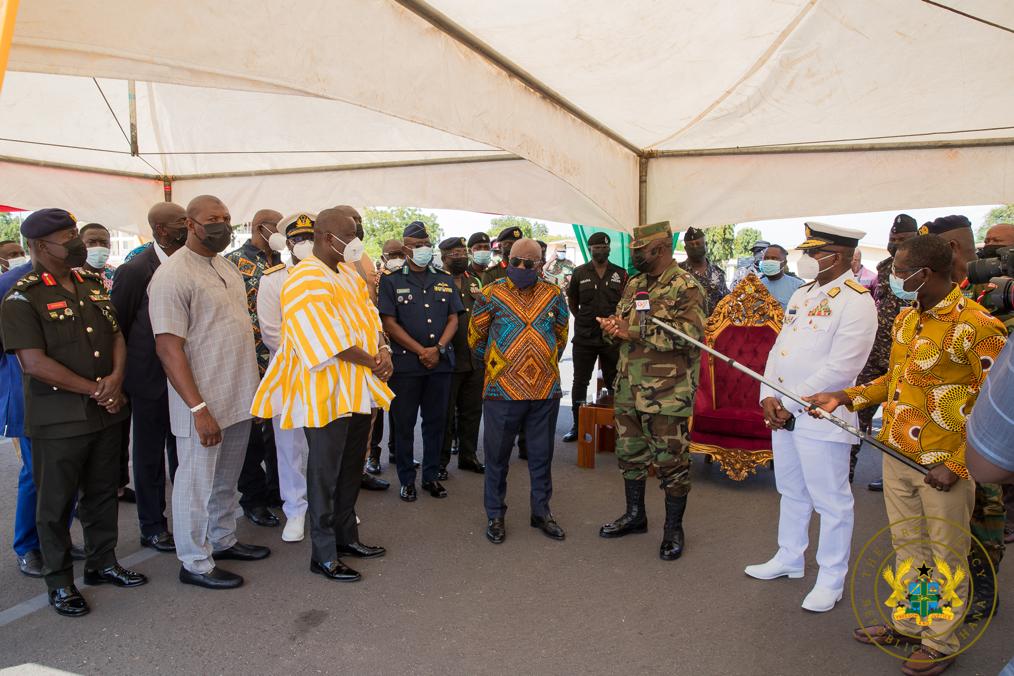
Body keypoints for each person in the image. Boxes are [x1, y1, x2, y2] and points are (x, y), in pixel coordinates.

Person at [807, 234, 1006, 673]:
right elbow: (893, 382)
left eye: (898, 271)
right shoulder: (905, 320)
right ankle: (912, 624)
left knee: (945, 555)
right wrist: (844, 396)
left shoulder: (978, 326)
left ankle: (940, 642)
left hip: (944, 465)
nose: (892, 277)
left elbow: (995, 406)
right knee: (909, 549)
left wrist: (957, 464)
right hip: (897, 453)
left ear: (926, 274)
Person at [1, 208, 147, 617]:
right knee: (55, 503)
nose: (77, 243)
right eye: (68, 236)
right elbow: (33, 362)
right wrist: (96, 390)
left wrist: (116, 378)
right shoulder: (22, 296)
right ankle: (60, 582)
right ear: (40, 246)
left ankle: (103, 562)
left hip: (106, 410)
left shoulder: (91, 284)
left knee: (103, 493)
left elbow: (116, 334)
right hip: (59, 418)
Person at [251, 208, 393, 582]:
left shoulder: (348, 273)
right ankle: (324, 553)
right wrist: (373, 362)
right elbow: (326, 342)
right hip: (324, 392)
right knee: (324, 473)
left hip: (357, 388)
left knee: (350, 468)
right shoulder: (304, 279)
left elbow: (370, 315)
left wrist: (384, 350)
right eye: (351, 234)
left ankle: (348, 538)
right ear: (329, 238)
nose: (357, 241)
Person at [744, 222, 877, 612]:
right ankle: (789, 558)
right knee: (791, 489)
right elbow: (779, 350)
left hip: (821, 416)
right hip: (784, 411)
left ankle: (831, 578)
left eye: (813, 252)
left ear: (835, 255)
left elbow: (843, 366)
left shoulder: (856, 300)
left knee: (832, 502)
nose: (806, 259)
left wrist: (791, 402)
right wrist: (768, 395)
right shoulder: (803, 294)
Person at [149, 194, 270, 590]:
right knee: (195, 482)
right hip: (201, 402)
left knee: (225, 478)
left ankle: (222, 539)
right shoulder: (173, 274)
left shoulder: (224, 266)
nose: (221, 224)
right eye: (212, 218)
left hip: (237, 395)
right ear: (190, 224)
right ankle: (195, 562)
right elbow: (168, 348)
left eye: (227, 217)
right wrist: (198, 408)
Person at [597, 221, 706, 561]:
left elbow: (691, 337)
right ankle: (635, 515)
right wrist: (612, 328)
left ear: (658, 250)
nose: (633, 257)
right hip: (629, 386)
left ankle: (673, 529)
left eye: (638, 251)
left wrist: (632, 333)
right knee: (630, 454)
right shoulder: (636, 284)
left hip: (667, 392)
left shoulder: (686, 286)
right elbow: (623, 324)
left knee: (671, 462)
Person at [923, 214, 1008, 621]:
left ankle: (980, 595)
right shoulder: (946, 292)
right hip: (938, 433)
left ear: (949, 250)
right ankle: (933, 605)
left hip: (977, 434)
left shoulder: (991, 298)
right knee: (939, 530)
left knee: (983, 515)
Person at [469, 237, 569, 544]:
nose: (522, 268)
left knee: (541, 456)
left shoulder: (553, 294)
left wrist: (541, 359)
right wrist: (505, 363)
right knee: (497, 458)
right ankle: (495, 515)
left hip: (544, 391)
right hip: (502, 392)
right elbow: (476, 338)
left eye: (529, 263)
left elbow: (562, 334)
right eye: (516, 263)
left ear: (540, 265)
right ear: (506, 260)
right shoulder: (490, 294)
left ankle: (541, 512)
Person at [109, 202, 188, 553]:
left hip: (186, 377)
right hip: (150, 380)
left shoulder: (193, 263)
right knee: (149, 456)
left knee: (184, 453)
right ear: (161, 230)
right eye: (181, 222)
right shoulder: (136, 269)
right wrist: (124, 379)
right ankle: (152, 525)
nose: (189, 226)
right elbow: (120, 328)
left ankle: (187, 518)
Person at [379, 221, 462, 500]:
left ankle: (430, 476)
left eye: (426, 244)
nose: (423, 250)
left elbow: (453, 317)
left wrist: (437, 348)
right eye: (417, 246)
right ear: (405, 249)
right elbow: (388, 323)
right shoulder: (392, 281)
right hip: (406, 366)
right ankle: (406, 479)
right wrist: (421, 350)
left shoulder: (444, 278)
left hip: (439, 364)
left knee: (436, 423)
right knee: (403, 424)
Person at [255, 212, 315, 542]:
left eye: (310, 238)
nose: (304, 244)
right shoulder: (274, 279)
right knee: (289, 443)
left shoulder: (330, 274)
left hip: (326, 371)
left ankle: (326, 504)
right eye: (298, 239)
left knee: (324, 443)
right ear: (287, 243)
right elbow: (270, 332)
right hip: (290, 371)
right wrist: (310, 355)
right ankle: (296, 509)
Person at [225, 209, 284, 528]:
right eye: (277, 227)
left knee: (280, 431)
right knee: (251, 435)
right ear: (260, 228)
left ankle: (277, 490)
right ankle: (253, 498)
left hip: (281, 359)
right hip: (248, 359)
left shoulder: (283, 263)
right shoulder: (232, 262)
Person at [852, 214, 918, 492]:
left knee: (901, 420)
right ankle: (845, 469)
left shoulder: (924, 270)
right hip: (877, 354)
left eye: (902, 240)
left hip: (908, 356)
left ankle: (894, 477)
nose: (895, 244)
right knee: (857, 415)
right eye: (893, 239)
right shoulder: (884, 268)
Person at [79, 222, 133, 504]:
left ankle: (118, 485)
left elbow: (119, 325)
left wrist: (119, 374)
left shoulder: (113, 274)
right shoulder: (72, 279)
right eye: (91, 242)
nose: (98, 247)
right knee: (87, 440)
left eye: (103, 241)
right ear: (80, 243)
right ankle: (84, 496)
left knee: (118, 432)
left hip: (117, 366)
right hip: (87, 373)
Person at [563, 232, 627, 442]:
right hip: (585, 336)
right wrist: (582, 318)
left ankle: (617, 425)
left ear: (609, 249)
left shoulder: (620, 274)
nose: (600, 251)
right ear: (590, 250)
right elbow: (573, 300)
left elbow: (625, 305)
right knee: (580, 381)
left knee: (613, 381)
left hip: (611, 338)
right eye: (595, 248)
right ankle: (577, 425)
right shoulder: (580, 273)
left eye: (603, 247)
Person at [437, 237, 486, 475]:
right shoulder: (437, 281)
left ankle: (469, 456)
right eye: (455, 254)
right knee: (444, 416)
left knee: (472, 412)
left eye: (463, 253)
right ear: (444, 257)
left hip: (474, 359)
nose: (461, 257)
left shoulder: (474, 280)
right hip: (448, 359)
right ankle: (440, 463)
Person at [368, 238, 410, 474]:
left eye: (398, 253)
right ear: (382, 257)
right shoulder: (374, 280)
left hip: (403, 351)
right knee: (377, 405)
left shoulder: (408, 276)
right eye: (390, 254)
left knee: (399, 407)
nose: (394, 258)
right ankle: (373, 456)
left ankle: (396, 451)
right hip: (381, 350)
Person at [966, 341, 1014, 484]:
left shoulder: (981, 326)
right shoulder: (907, 320)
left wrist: (954, 464)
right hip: (904, 454)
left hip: (956, 460)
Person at [678, 226, 729, 315]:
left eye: (698, 244)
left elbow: (725, 302)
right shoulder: (677, 272)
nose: (695, 247)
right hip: (686, 327)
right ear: (686, 249)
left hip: (714, 326)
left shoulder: (718, 273)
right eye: (691, 245)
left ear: (706, 245)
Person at [758, 244, 805, 309]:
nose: (769, 261)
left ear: (784, 262)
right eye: (766, 258)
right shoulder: (757, 285)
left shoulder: (798, 286)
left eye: (774, 258)